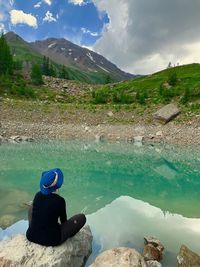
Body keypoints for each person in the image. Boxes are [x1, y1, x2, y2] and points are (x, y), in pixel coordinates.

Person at [26, 168, 86, 246]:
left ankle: (37, 227)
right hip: (52, 240)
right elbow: (63, 221)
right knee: (81, 218)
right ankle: (67, 236)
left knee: (31, 207)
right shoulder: (60, 200)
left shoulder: (37, 195)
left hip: (31, 236)